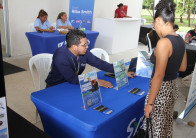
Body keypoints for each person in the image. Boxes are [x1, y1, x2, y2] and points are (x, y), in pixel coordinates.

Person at [143, 0, 187, 137]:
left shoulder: (163, 43)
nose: (155, 27)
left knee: (155, 128)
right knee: (165, 127)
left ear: (158, 20)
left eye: (154, 24)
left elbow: (158, 75)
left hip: (160, 91)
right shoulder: (180, 39)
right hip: (172, 88)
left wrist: (150, 103)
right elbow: (183, 67)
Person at [46, 29, 135, 88]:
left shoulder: (84, 53)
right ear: (74, 47)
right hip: (55, 86)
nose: (87, 46)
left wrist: (121, 71)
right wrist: (97, 81)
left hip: (73, 84)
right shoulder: (60, 56)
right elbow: (72, 79)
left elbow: (101, 64)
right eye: (84, 45)